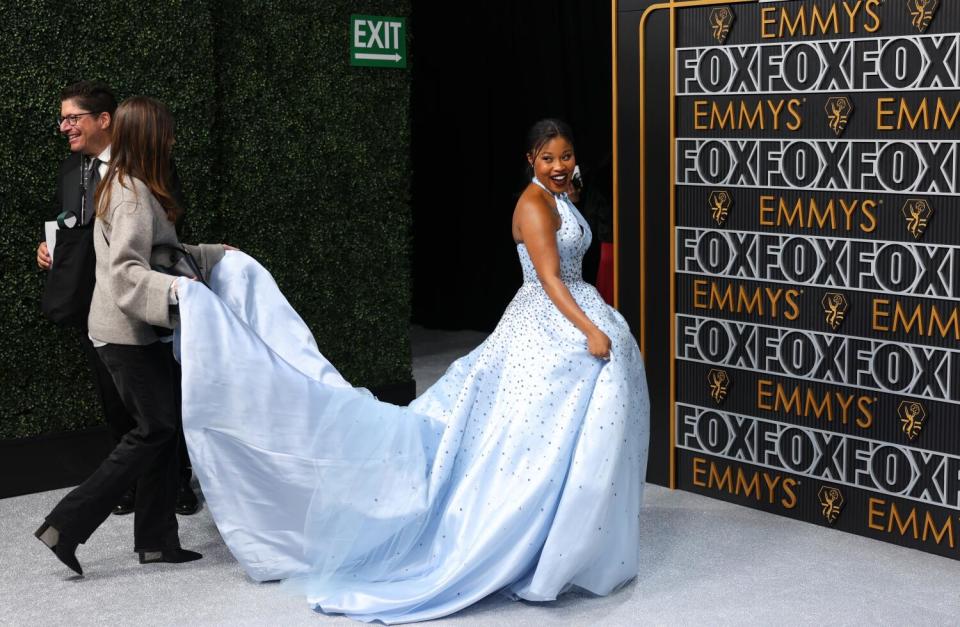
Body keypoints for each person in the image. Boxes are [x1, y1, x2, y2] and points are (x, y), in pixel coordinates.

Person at [171, 118, 650, 623]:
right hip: (548, 322)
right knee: (523, 438)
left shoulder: (560, 196)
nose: (560, 166)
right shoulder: (532, 204)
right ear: (529, 158)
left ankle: (570, 538)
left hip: (570, 315)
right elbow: (551, 278)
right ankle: (524, 535)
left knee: (563, 433)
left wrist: (569, 198)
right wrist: (590, 331)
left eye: (567, 156)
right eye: (549, 157)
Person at [35, 96, 227, 575]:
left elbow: (158, 249)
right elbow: (124, 272)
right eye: (167, 132)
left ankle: (157, 541)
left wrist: (212, 254)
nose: (173, 140)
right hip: (125, 333)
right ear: (149, 136)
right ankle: (64, 524)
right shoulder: (131, 191)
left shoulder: (124, 185)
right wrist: (182, 290)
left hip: (132, 331)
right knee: (154, 429)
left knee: (161, 431)